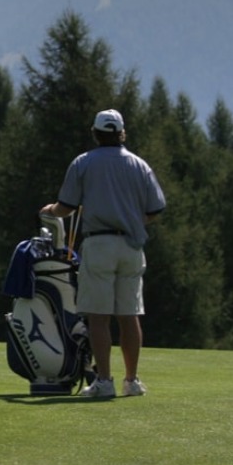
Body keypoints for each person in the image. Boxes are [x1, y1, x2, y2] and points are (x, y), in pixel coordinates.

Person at [40, 109, 165, 398]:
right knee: (129, 315)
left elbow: (66, 206)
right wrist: (132, 221)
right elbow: (155, 210)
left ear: (96, 133)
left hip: (99, 244)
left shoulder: (84, 163)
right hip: (132, 246)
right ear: (121, 133)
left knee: (98, 317)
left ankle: (105, 382)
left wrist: (49, 211)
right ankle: (131, 381)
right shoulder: (139, 165)